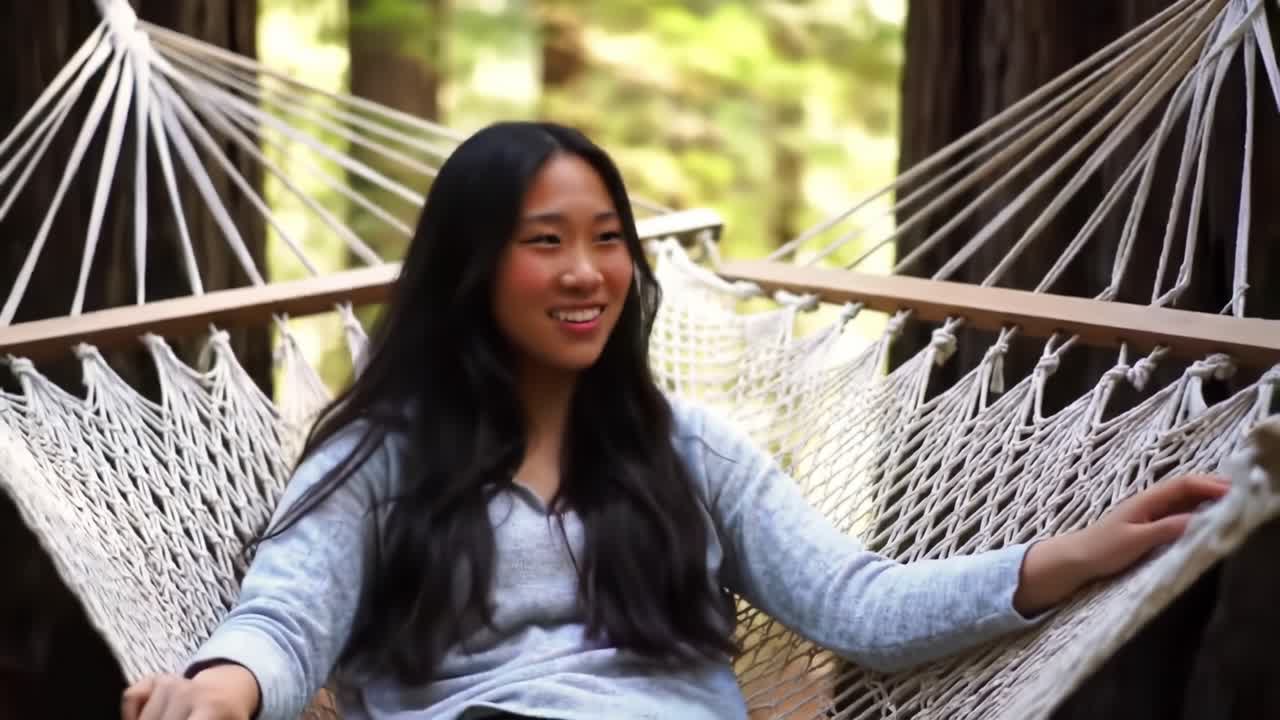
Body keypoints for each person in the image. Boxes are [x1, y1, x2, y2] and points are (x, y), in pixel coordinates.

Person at [120, 122, 1229, 720]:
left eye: (606, 238)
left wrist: (1065, 556)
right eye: (544, 239)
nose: (588, 271)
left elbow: (856, 604)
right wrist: (213, 697)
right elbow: (286, 615)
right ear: (469, 267)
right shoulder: (382, 458)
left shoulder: (684, 452)